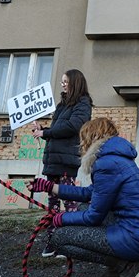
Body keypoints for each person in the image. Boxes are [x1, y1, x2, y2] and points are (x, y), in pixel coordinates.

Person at [26, 117, 139, 277]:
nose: (81, 143)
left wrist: (59, 218)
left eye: (83, 138)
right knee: (83, 207)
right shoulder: (115, 158)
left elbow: (94, 217)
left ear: (91, 137)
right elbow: (90, 193)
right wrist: (50, 187)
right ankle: (118, 267)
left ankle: (125, 266)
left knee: (60, 238)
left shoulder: (106, 164)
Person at [32, 69, 93, 257]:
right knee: (53, 203)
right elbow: (58, 129)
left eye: (66, 81)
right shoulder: (61, 105)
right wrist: (43, 130)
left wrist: (47, 133)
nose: (63, 84)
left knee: (69, 202)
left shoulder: (83, 103)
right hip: (53, 160)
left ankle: (71, 242)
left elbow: (73, 126)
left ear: (75, 82)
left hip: (66, 161)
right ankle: (53, 241)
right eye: (62, 81)